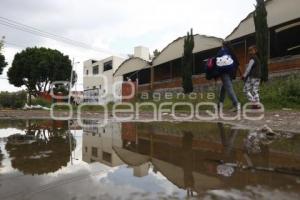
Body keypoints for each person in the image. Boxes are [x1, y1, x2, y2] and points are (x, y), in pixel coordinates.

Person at [217, 41, 241, 112]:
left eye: (221, 45)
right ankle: (220, 105)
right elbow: (238, 64)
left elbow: (217, 62)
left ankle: (236, 104)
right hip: (232, 73)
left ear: (223, 45)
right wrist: (241, 74)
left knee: (229, 88)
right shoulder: (232, 52)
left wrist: (215, 74)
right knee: (224, 88)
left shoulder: (222, 52)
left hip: (224, 73)